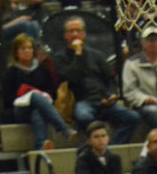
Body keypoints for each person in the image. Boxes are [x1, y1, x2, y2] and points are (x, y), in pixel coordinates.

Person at [54, 16, 139, 145]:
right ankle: (95, 147)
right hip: (81, 101)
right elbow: (71, 78)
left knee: (133, 117)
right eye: (71, 31)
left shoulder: (97, 55)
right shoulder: (60, 58)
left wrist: (110, 95)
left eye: (78, 30)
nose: (75, 34)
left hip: (103, 100)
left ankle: (113, 147)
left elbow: (109, 79)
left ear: (84, 33)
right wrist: (78, 54)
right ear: (65, 35)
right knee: (84, 117)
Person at [2, 33, 73, 151]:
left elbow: (53, 90)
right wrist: (27, 97)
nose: (27, 51)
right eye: (23, 48)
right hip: (20, 110)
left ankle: (41, 146)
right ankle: (63, 128)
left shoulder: (42, 69)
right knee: (34, 96)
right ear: (16, 52)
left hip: (42, 107)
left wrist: (43, 96)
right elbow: (7, 98)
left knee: (37, 113)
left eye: (29, 48)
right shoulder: (11, 72)